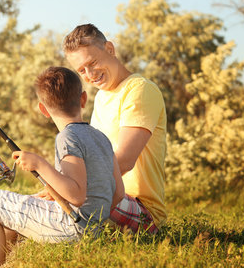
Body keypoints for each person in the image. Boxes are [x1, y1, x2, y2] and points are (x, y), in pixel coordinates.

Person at [0, 66, 124, 268]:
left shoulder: (67, 137)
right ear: (83, 99)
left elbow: (77, 195)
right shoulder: (101, 138)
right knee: (27, 200)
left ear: (43, 110)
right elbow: (118, 193)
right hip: (94, 229)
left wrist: (40, 164)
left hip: (70, 229)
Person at [63, 23, 167, 233]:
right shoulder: (102, 97)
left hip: (141, 210)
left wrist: (73, 188)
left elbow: (125, 160)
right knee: (18, 209)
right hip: (103, 196)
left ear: (110, 49)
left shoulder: (140, 89)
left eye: (92, 62)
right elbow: (91, 159)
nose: (90, 74)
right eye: (81, 70)